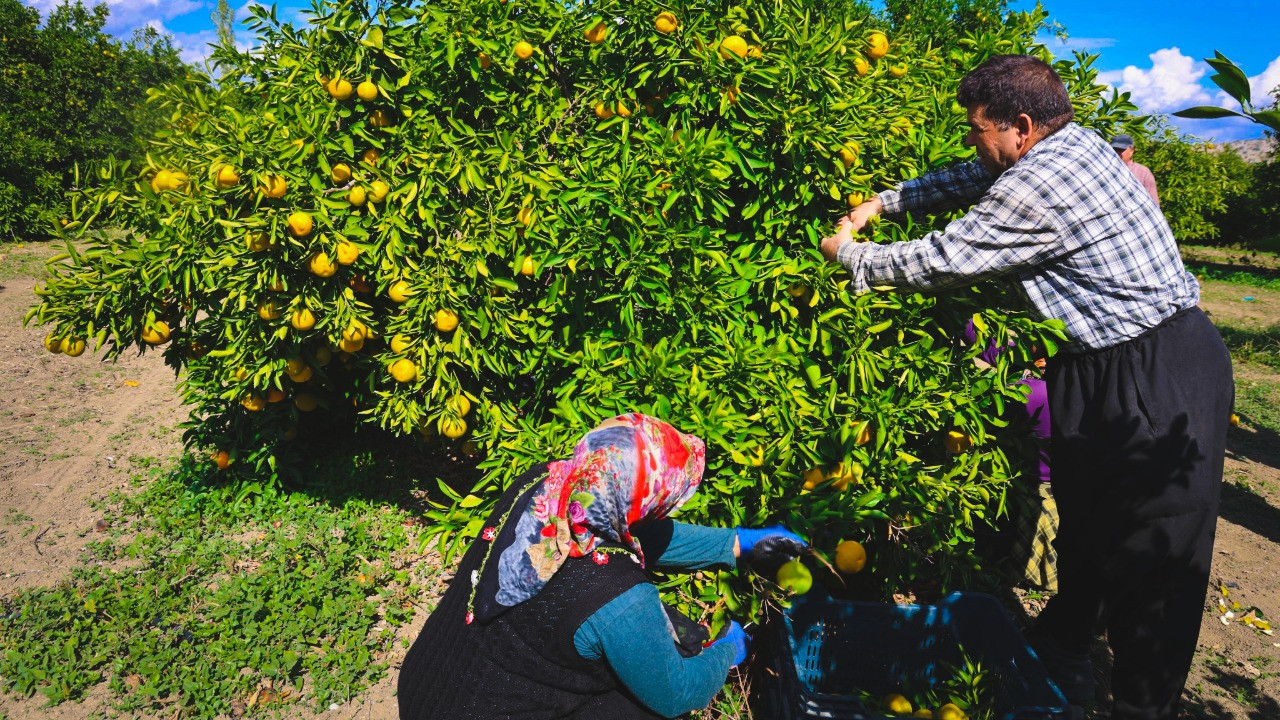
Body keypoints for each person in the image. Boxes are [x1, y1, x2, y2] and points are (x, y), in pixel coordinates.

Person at [818, 54, 1232, 720]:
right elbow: (970, 176)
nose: (971, 141)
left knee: (1155, 548)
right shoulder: (1063, 145)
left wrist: (853, 256)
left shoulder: (1041, 184)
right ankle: (1067, 642)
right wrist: (885, 202)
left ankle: (1139, 705)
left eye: (976, 128)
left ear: (1020, 123)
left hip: (1160, 365)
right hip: (1092, 364)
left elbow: (946, 258)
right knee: (1088, 523)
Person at [397, 413, 806, 719]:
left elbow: (639, 531)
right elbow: (678, 693)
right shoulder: (618, 598)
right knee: (648, 699)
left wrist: (737, 544)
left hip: (428, 682)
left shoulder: (549, 485)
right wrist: (727, 652)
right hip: (482, 709)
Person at [1110, 134, 1160, 207]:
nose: (1117, 153)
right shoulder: (1106, 168)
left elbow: (1154, 203)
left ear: (1131, 151)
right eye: (1115, 149)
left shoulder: (1143, 172)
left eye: (1121, 150)